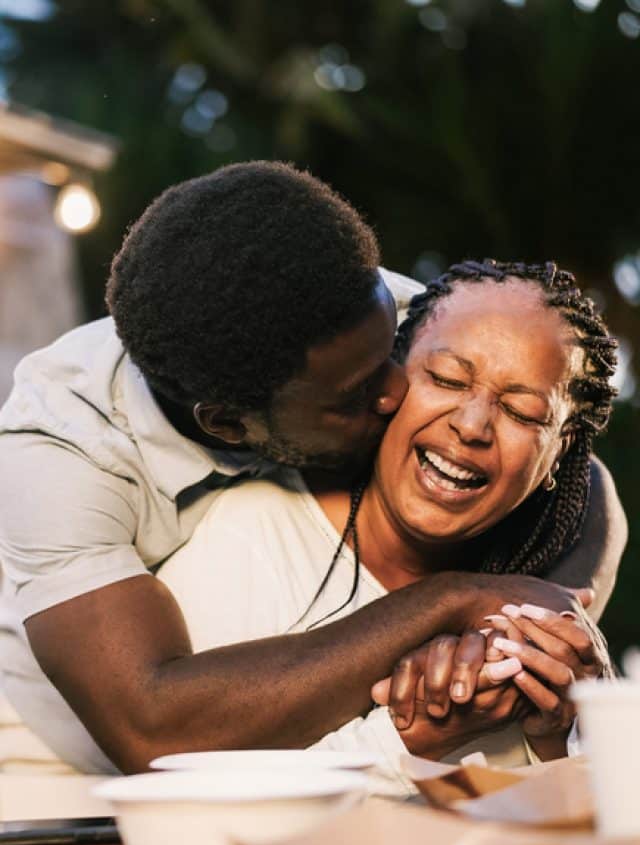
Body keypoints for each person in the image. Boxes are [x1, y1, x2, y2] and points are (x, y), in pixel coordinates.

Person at [0, 161, 624, 775]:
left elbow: (573, 464)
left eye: (396, 357)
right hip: (47, 763)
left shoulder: (356, 311)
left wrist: (539, 622)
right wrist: (452, 599)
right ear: (230, 426)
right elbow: (152, 728)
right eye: (355, 396)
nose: (394, 393)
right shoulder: (58, 453)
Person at [156, 259, 618, 782]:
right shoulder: (249, 539)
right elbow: (176, 799)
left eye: (521, 413)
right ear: (387, 381)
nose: (472, 426)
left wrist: (560, 738)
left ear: (558, 456)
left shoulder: (530, 621)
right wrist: (411, 740)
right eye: (446, 378)